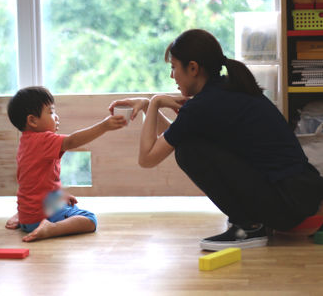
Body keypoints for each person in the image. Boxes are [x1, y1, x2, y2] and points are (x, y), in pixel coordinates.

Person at [109, 29, 323, 251]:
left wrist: (153, 103)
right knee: (188, 146)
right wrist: (147, 106)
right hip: (297, 196)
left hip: (287, 204)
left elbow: (148, 159)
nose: (172, 76)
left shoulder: (204, 105)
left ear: (193, 68)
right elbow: (176, 137)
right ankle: (252, 221)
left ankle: (248, 227)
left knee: (188, 153)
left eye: (174, 68)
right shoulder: (226, 89)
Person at [5, 86, 126, 242]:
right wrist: (104, 126)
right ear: (32, 121)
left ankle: (25, 218)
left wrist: (57, 196)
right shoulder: (43, 140)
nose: (56, 117)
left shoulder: (26, 141)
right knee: (90, 220)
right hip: (42, 215)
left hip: (28, 214)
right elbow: (72, 141)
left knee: (62, 202)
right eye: (51, 112)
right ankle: (51, 228)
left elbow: (35, 182)